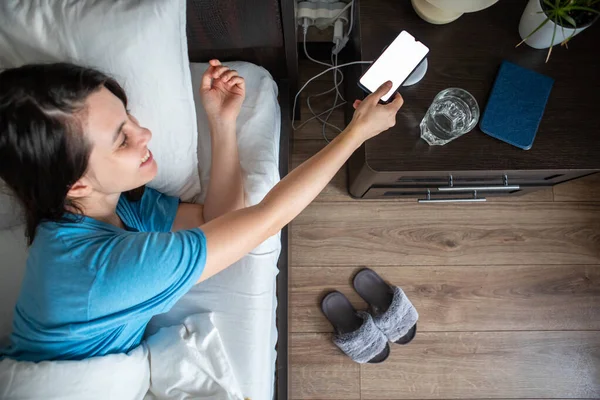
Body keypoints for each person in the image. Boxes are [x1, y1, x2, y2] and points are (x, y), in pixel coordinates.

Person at [0, 60, 403, 362]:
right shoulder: (106, 269)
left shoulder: (112, 204)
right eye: (122, 140)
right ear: (76, 184)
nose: (145, 135)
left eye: (130, 119)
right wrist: (355, 134)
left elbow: (222, 221)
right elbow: (265, 219)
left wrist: (222, 122)